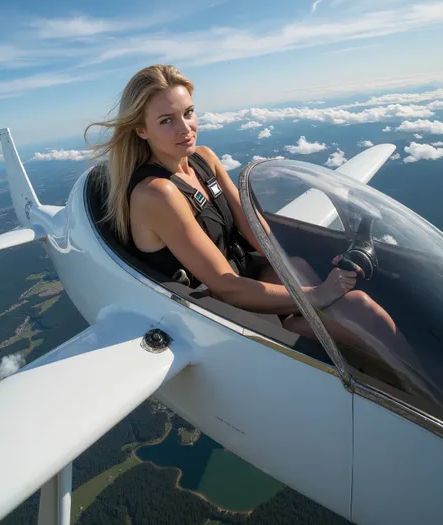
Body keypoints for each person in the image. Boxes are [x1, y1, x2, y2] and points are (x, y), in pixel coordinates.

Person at [85, 64, 440, 404]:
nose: (186, 129)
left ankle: (410, 378)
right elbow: (225, 285)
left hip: (244, 276)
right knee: (359, 311)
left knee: (300, 264)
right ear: (141, 130)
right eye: (167, 120)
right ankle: (421, 390)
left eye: (189, 113)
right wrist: (315, 294)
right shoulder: (156, 193)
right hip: (213, 307)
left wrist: (310, 271)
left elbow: (255, 230)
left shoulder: (203, 159)